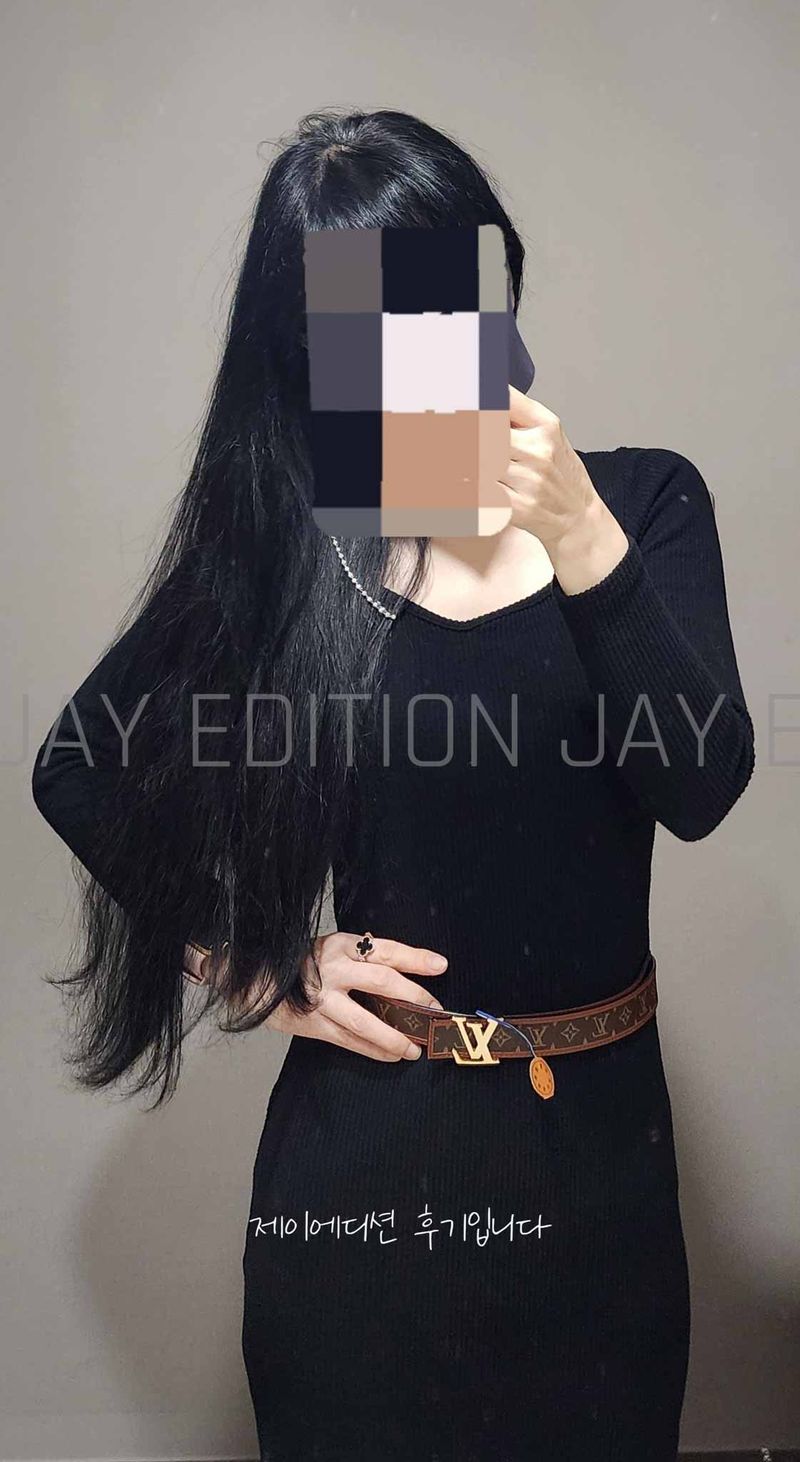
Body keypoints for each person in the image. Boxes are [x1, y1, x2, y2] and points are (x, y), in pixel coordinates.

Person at [31, 107, 756, 1462]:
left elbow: (703, 779)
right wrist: (263, 969)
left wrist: (577, 531)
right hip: (360, 1195)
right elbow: (79, 766)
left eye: (454, 297)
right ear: (313, 358)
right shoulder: (297, 554)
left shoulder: (647, 502)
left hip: (601, 1179)